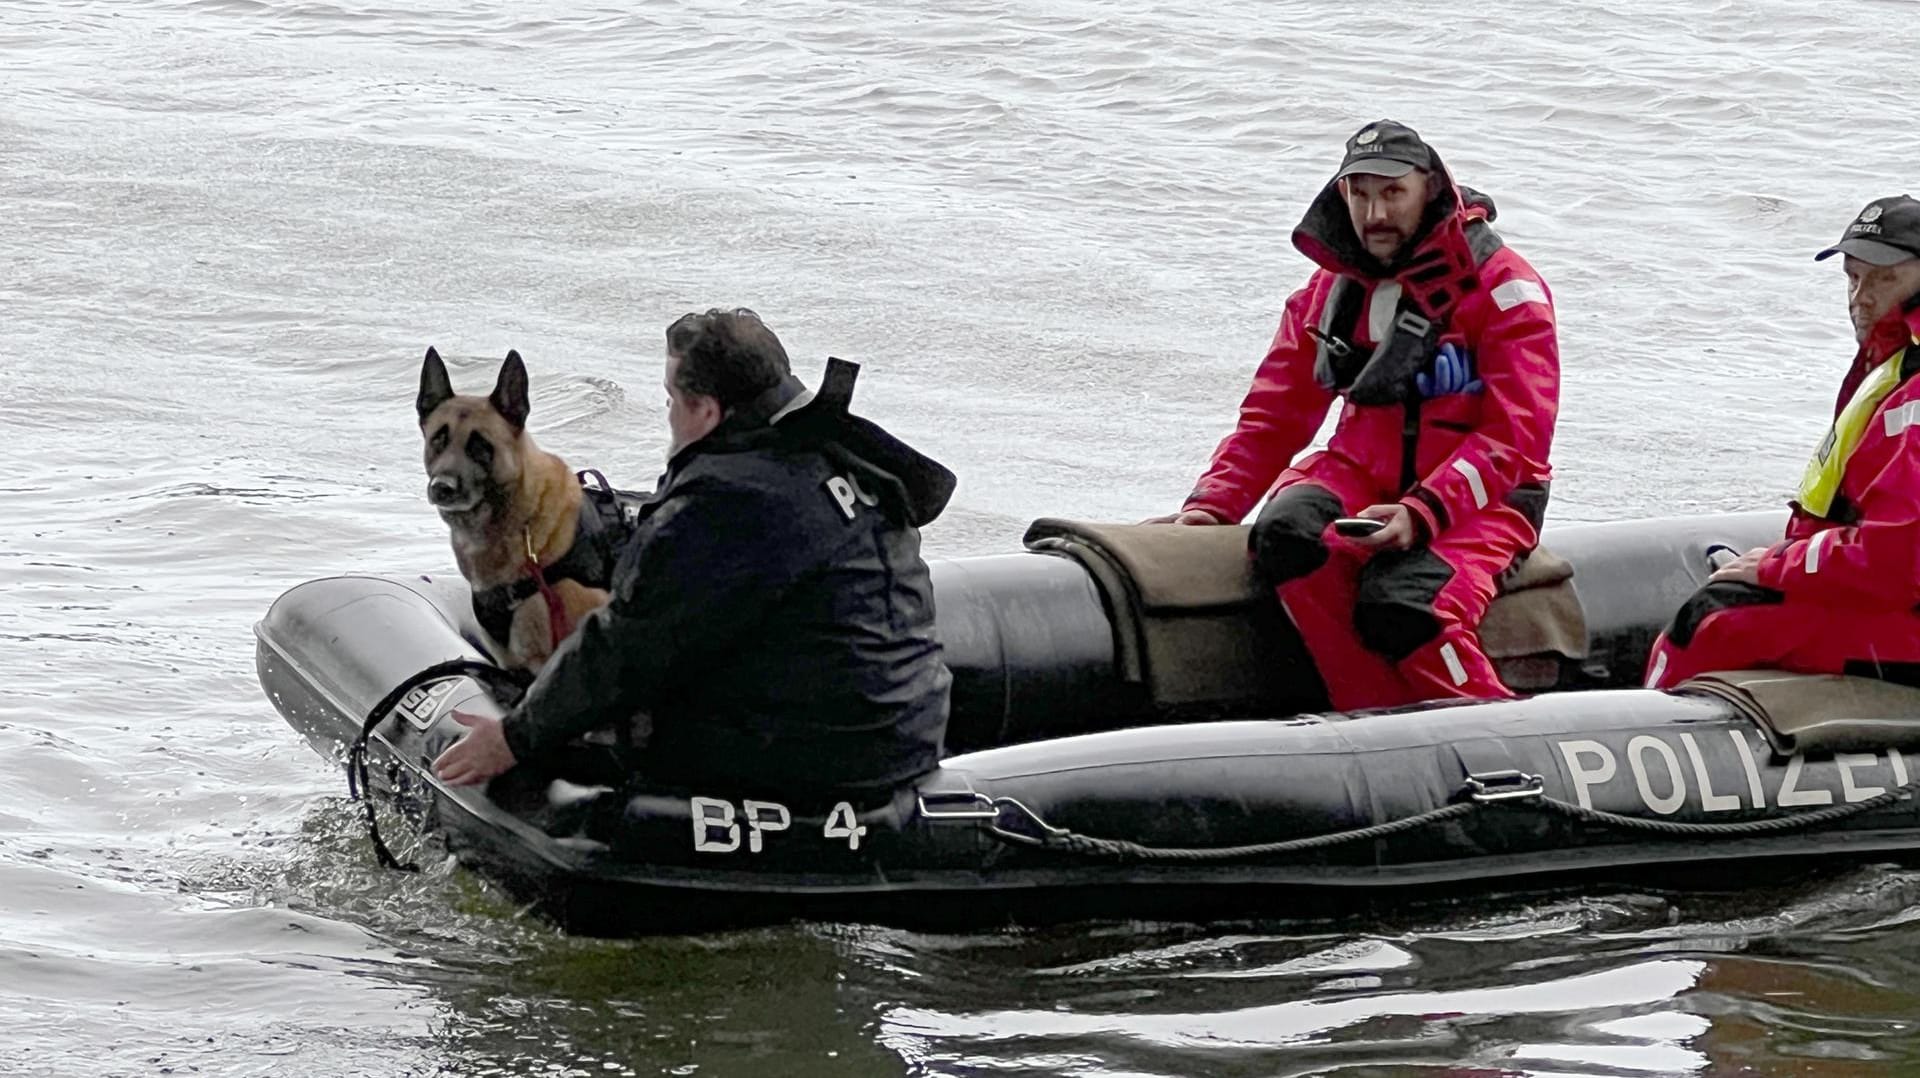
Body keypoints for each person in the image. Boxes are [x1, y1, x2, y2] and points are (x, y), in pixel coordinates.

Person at [433, 308, 956, 804]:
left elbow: (626, 648)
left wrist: (514, 736)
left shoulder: (721, 504)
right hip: (908, 733)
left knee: (612, 715)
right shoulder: (843, 452)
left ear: (705, 411)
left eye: (670, 399)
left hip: (815, 761)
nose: (668, 414)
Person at [1146, 120, 1559, 710]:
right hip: (1365, 469)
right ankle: (1366, 715)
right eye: (1360, 194)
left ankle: (1503, 735)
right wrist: (1212, 505)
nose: (1375, 213)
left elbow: (1518, 438)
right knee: (1286, 536)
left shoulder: (1505, 289)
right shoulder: (1329, 292)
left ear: (1430, 190)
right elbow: (1275, 412)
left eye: (1393, 193)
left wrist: (1424, 511)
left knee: (1407, 604)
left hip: (1487, 497)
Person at [1646, 196, 1920, 689]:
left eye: (1885, 278)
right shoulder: (1893, 368)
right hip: (1893, 594)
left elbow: (1897, 555)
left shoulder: (1912, 390)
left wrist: (1776, 566)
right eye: (1853, 277)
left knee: (1709, 623)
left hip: (1906, 612)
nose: (1860, 296)